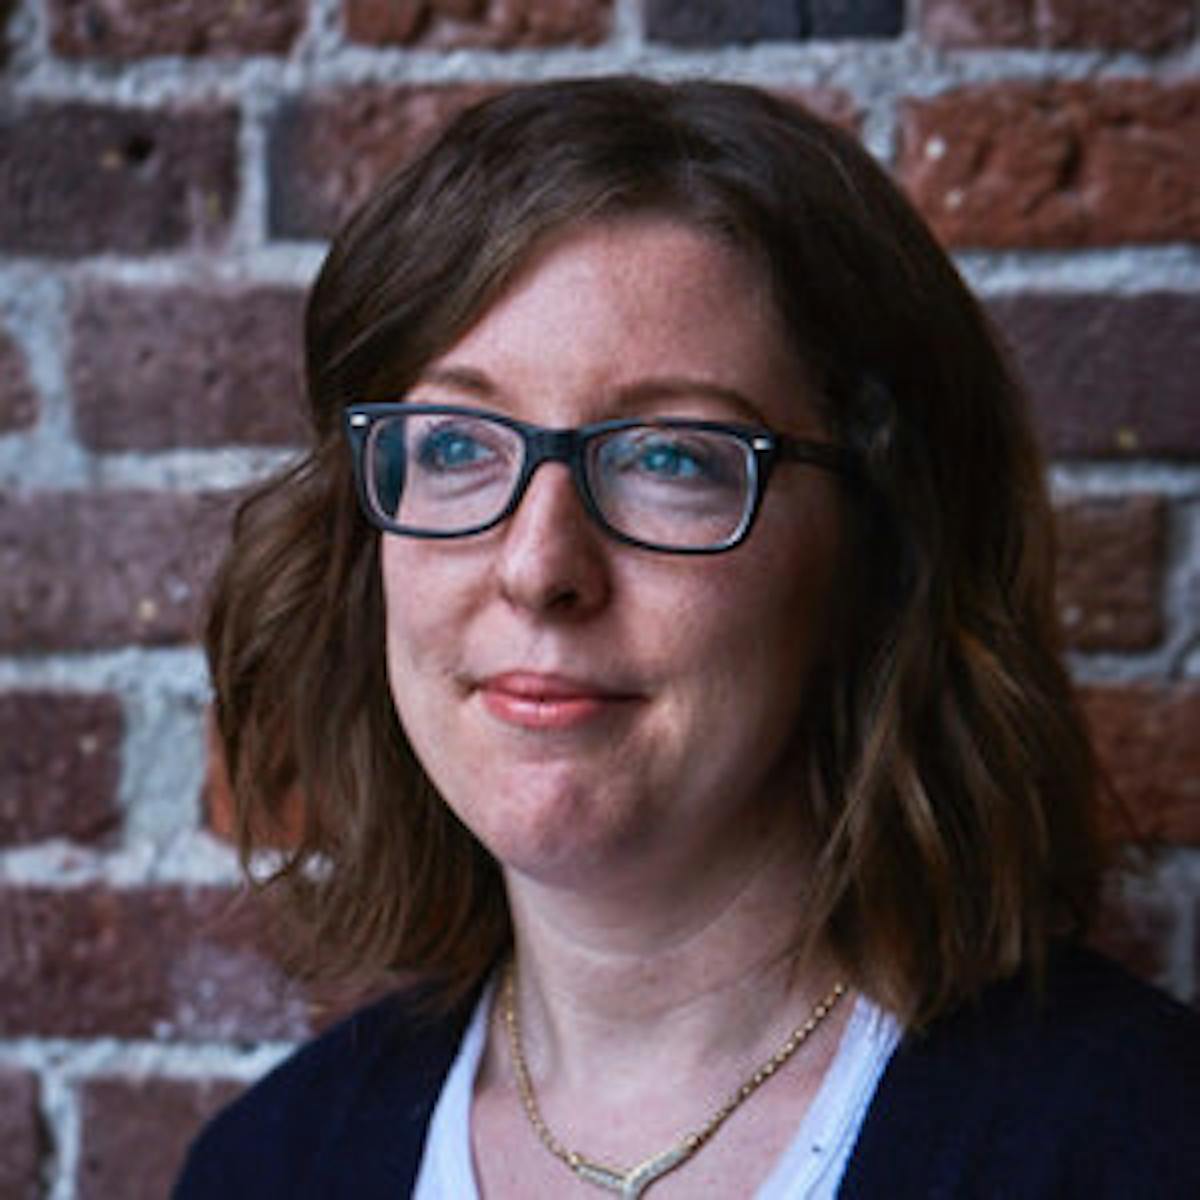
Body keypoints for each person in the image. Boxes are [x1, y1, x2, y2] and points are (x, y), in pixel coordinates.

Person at [174, 77, 1200, 1198]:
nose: (538, 567)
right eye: (458, 445)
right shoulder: (266, 1168)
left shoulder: (1137, 1142)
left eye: (670, 457)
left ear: (878, 551)